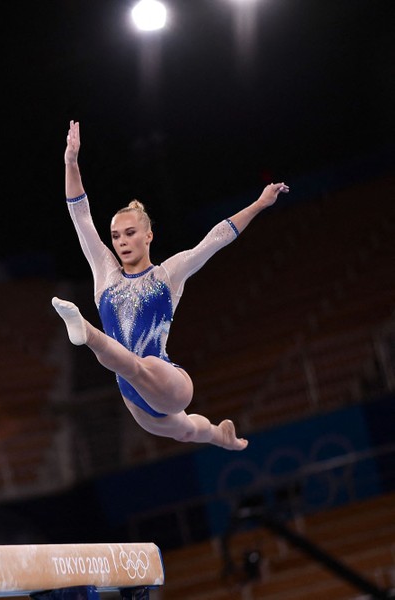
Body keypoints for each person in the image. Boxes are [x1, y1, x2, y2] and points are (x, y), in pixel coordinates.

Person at [52, 120, 289, 450]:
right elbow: (81, 216)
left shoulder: (167, 275)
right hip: (135, 401)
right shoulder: (105, 273)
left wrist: (260, 203)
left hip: (168, 381)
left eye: (130, 233)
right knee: (187, 431)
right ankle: (222, 437)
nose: (121, 241)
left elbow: (216, 239)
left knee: (137, 366)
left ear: (148, 236)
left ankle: (87, 333)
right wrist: (71, 162)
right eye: (116, 236)